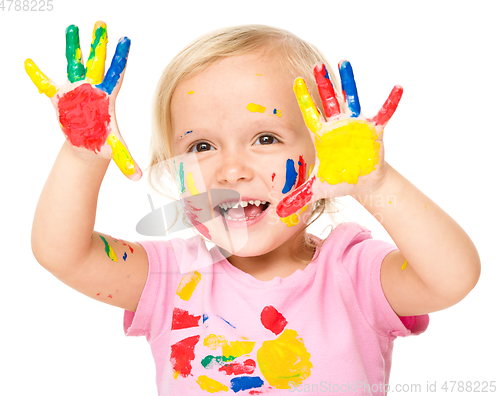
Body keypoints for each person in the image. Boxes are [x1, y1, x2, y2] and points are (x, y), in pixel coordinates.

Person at [28, 21, 480, 395]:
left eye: (265, 138)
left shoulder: (354, 273)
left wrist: (375, 182)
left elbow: (452, 277)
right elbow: (61, 252)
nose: (231, 170)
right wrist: (82, 154)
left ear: (324, 155)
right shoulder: (169, 277)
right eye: (202, 145)